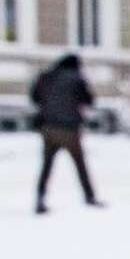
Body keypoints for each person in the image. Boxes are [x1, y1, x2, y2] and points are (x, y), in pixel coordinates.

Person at [30, 54, 102, 214]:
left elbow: (34, 98)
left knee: (46, 166)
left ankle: (40, 199)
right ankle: (89, 196)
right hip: (69, 129)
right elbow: (89, 100)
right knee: (80, 165)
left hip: (48, 128)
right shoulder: (77, 79)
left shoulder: (45, 77)